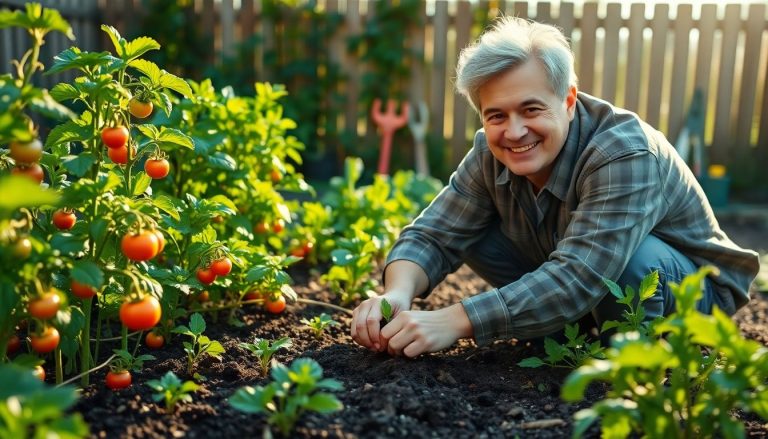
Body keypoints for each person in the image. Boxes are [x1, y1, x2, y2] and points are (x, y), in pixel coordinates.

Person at [350, 17, 760, 358]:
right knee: (470, 227)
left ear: (567, 100)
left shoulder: (624, 152)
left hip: (693, 293)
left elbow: (579, 275)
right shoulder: (489, 152)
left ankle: (631, 360)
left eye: (531, 109)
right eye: (496, 116)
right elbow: (434, 233)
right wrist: (396, 295)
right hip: (583, 282)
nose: (513, 131)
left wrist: (456, 320)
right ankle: (565, 324)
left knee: (638, 260)